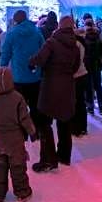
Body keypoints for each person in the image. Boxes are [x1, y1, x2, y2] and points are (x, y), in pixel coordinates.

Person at [28, 16, 81, 171]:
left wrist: (30, 62)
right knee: (64, 122)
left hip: (50, 85)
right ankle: (64, 156)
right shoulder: (75, 45)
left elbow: (39, 58)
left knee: (44, 123)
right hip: (67, 86)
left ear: (59, 26)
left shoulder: (52, 42)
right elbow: (76, 66)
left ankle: (48, 159)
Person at [0, 67, 37, 202]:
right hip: (15, 140)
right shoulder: (17, 98)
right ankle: (22, 192)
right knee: (18, 167)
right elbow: (25, 118)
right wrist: (32, 132)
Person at [0, 10, 46, 164]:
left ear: (15, 20)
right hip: (35, 76)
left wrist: (2, 69)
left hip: (18, 76)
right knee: (35, 105)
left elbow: (5, 53)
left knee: (19, 107)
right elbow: (44, 50)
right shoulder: (37, 32)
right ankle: (36, 130)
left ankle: (22, 133)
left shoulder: (12, 34)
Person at [82, 18, 102, 115]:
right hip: (96, 65)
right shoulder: (98, 36)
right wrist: (101, 63)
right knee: (98, 86)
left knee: (88, 87)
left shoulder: (83, 37)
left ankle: (90, 107)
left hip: (87, 65)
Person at [71, 33, 89, 137]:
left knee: (75, 102)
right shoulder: (81, 42)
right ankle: (83, 127)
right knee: (81, 102)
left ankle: (76, 128)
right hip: (83, 74)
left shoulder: (74, 44)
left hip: (75, 76)